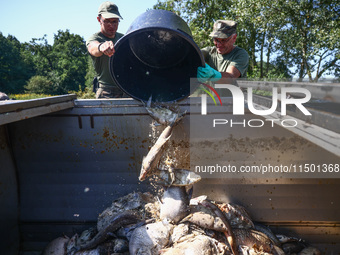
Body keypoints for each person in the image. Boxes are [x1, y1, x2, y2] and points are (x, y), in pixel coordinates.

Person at [86, 2, 127, 99]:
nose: (111, 25)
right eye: (107, 21)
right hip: (106, 93)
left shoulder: (124, 38)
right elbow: (93, 48)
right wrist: (101, 47)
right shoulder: (94, 38)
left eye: (115, 21)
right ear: (99, 20)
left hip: (126, 90)